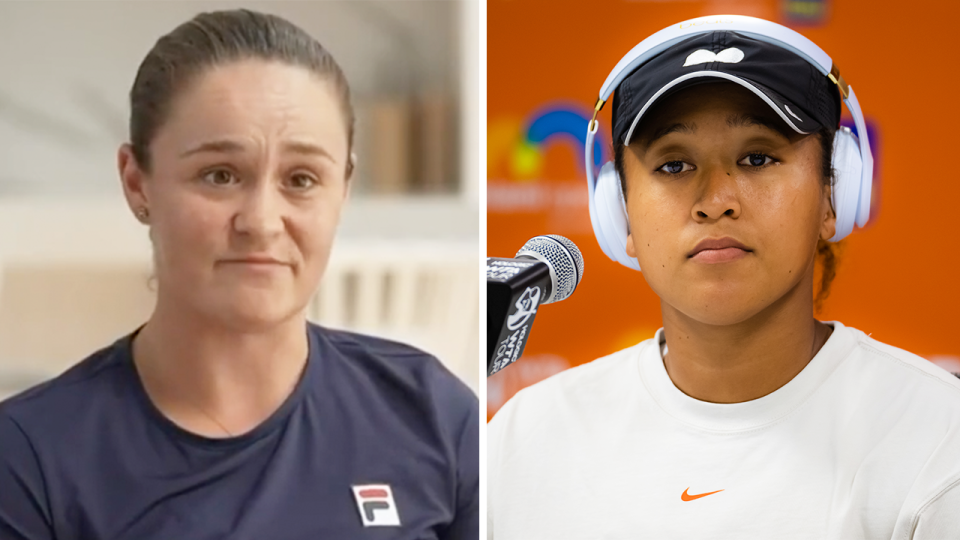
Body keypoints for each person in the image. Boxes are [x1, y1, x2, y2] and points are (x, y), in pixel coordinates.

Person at [0, 9, 478, 540]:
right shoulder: (29, 460)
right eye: (219, 175)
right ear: (137, 184)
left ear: (343, 189)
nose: (261, 222)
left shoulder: (433, 418)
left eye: (301, 179)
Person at [487, 15, 960, 539]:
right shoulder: (525, 439)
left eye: (757, 158)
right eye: (673, 165)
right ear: (617, 212)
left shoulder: (938, 441)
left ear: (834, 194)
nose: (716, 202)